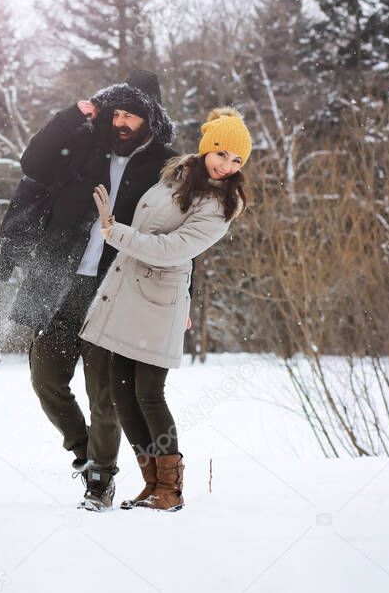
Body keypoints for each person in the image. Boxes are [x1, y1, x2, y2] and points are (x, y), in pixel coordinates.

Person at [0, 70, 178, 510]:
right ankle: (82, 451)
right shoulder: (81, 146)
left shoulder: (166, 168)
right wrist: (70, 117)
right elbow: (33, 164)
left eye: (131, 116)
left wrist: (184, 297)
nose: (120, 122)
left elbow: (180, 233)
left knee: (106, 395)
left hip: (116, 291)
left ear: (149, 121)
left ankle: (101, 478)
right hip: (58, 283)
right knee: (46, 381)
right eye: (115, 112)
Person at [80, 107, 251, 512]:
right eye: (223, 154)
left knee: (149, 395)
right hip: (128, 293)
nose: (228, 166)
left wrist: (113, 232)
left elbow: (174, 250)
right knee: (123, 396)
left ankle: (171, 489)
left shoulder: (221, 206)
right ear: (208, 149)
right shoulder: (174, 176)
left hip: (159, 302)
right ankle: (151, 484)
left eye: (237, 160)